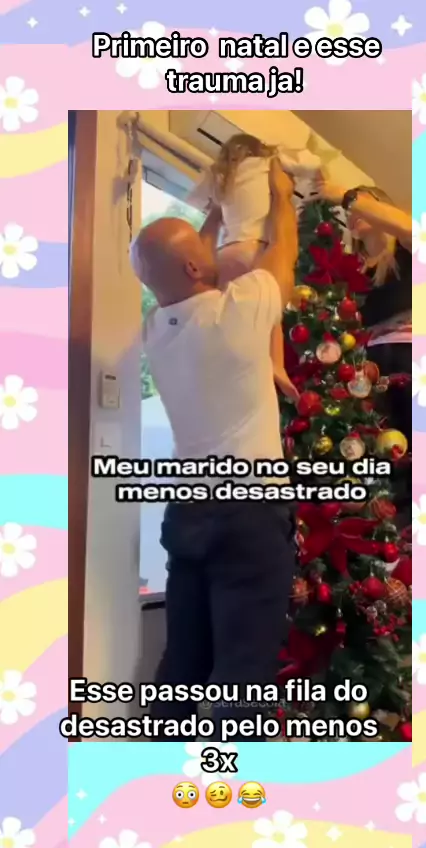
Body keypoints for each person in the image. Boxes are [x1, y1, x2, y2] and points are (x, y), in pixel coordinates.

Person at [130, 159, 298, 741]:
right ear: (194, 266)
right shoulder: (237, 312)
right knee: (242, 675)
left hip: (188, 513)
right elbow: (283, 258)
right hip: (247, 515)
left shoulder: (157, 330)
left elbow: (185, 264)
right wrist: (281, 198)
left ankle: (153, 774)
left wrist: (210, 215)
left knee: (183, 664)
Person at [188, 133, 325, 401]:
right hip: (257, 248)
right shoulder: (273, 160)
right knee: (270, 309)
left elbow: (196, 199)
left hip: (226, 253)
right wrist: (318, 176)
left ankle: (223, 367)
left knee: (228, 313)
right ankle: (275, 364)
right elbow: (311, 161)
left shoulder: (220, 175)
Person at [317, 181, 412, 519]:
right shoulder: (354, 272)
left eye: (362, 205)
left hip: (409, 356)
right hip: (369, 369)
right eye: (349, 212)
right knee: (383, 451)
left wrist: (350, 197)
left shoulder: (405, 250)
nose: (352, 213)